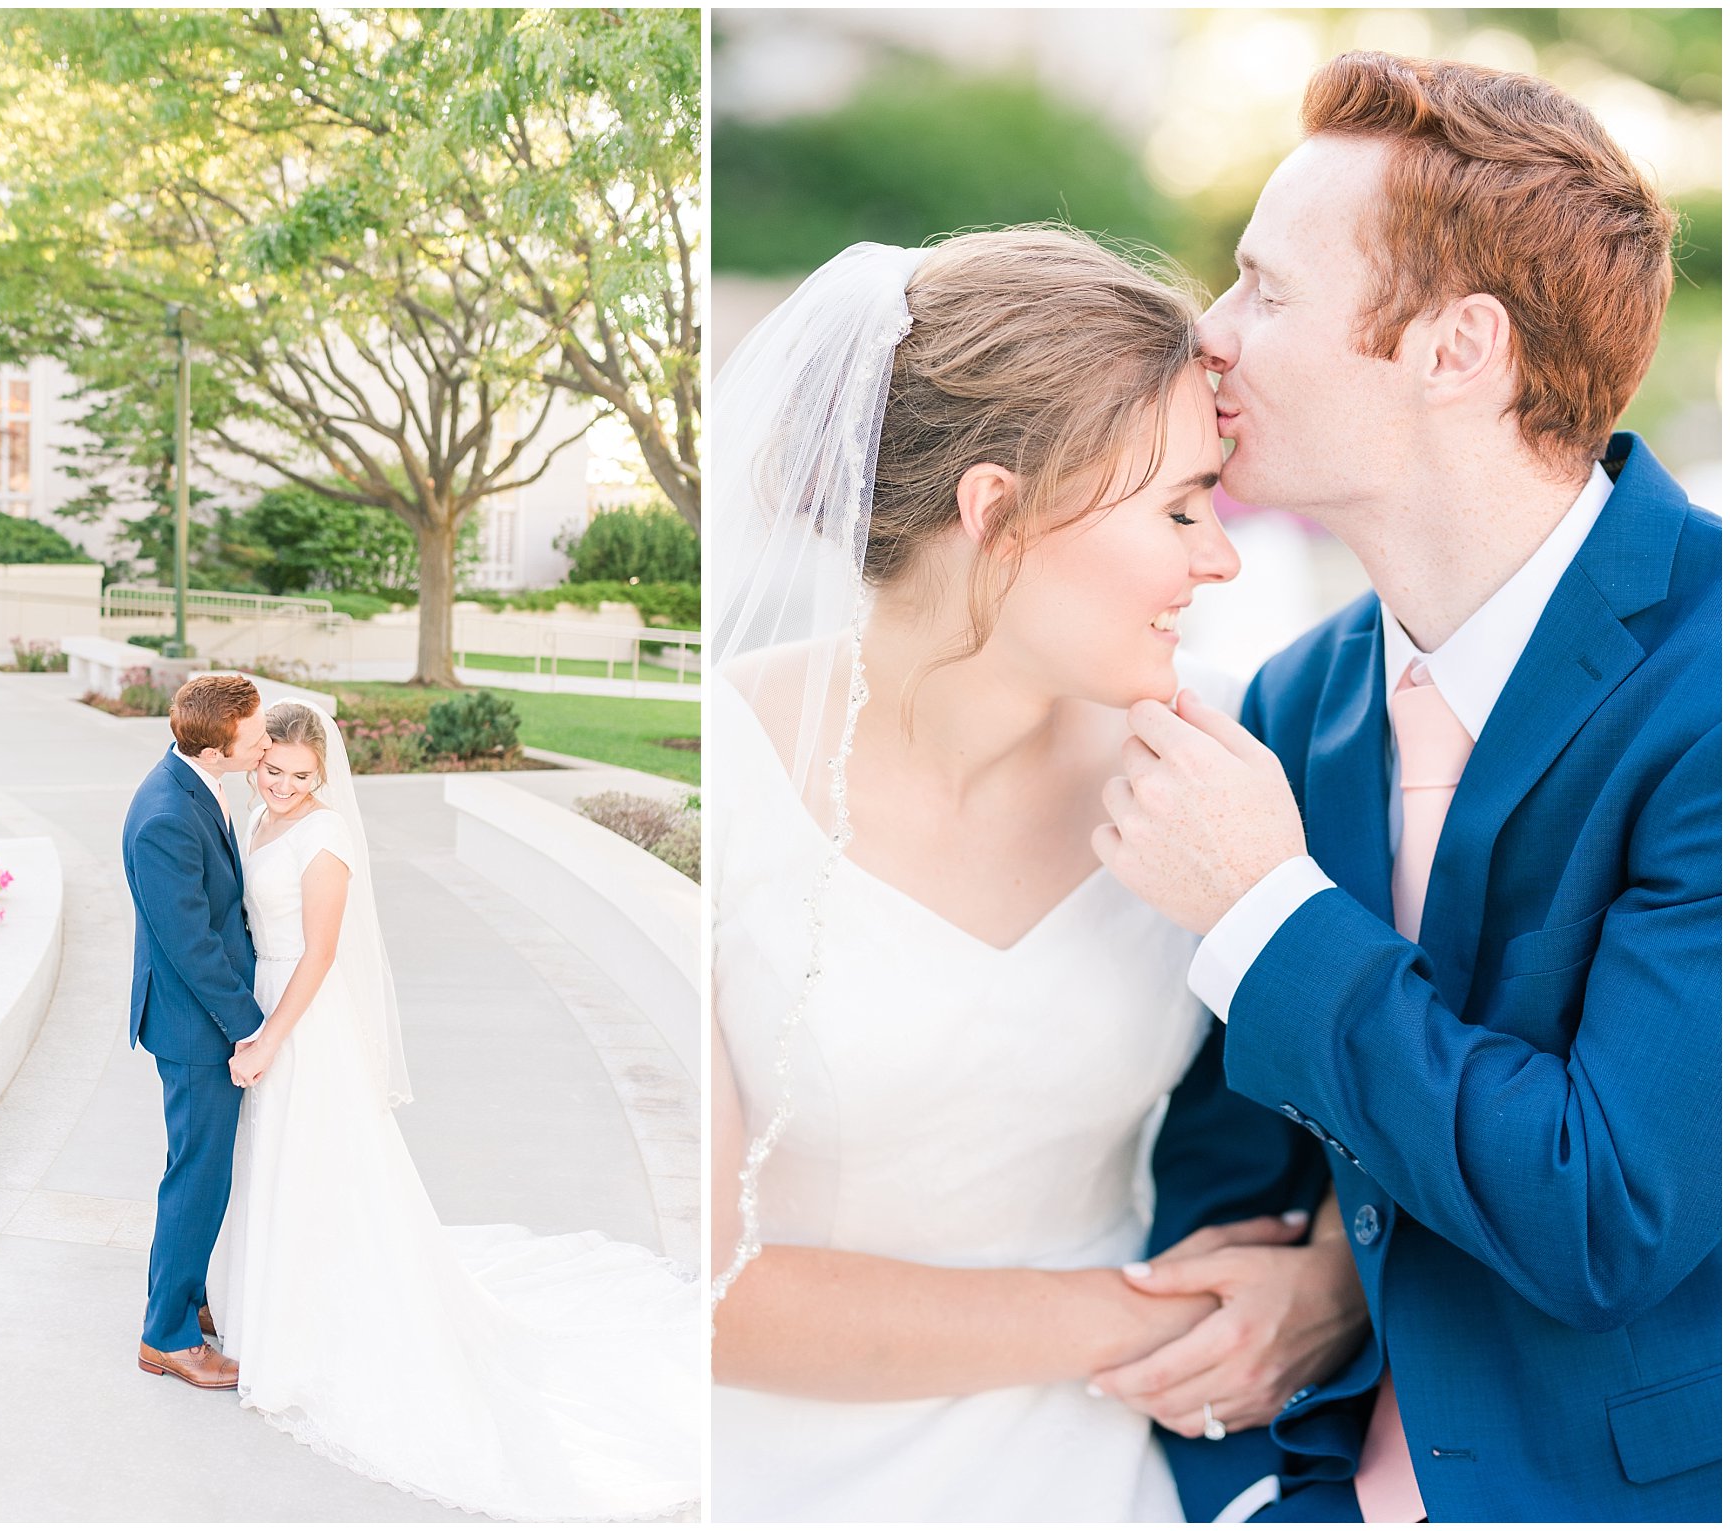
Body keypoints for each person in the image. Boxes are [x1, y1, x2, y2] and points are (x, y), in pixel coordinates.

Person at [1098, 52, 1721, 1521]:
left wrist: (1265, 907)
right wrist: (1259, 1485)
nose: (1211, 333)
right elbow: (1235, 1177)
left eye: (1265, 287)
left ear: (1459, 350)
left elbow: (1609, 1211)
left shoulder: (1716, 686)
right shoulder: (1295, 701)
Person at [708, 228, 1368, 1521]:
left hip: (1113, 1462)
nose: (1221, 557)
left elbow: (1369, 1067)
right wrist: (1136, 1311)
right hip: (770, 1465)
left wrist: (1332, 1278)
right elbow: (713, 1288)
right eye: (1179, 507)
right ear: (996, 511)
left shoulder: (1218, 764)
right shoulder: (726, 779)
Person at [206, 700, 699, 1521]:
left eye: (300, 775)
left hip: (300, 1017)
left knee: (316, 1165)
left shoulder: (325, 840)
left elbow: (322, 954)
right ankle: (264, 1311)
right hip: (261, 996)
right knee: (270, 1164)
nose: (284, 785)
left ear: (323, 774)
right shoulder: (256, 814)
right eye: (273, 770)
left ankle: (306, 1337)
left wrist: (267, 1039)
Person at [120, 673, 271, 1390]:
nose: (267, 740)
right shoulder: (164, 817)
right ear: (216, 748)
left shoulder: (194, 783)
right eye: (257, 734)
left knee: (205, 1173)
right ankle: (167, 1336)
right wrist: (251, 1028)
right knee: (196, 1178)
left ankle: (189, 1293)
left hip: (202, 1018)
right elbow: (192, 946)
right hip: (195, 1026)